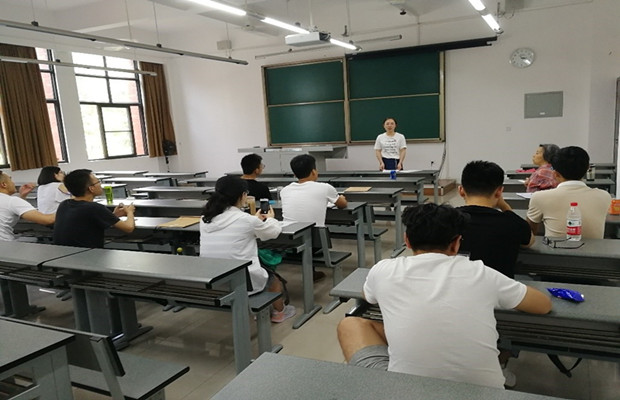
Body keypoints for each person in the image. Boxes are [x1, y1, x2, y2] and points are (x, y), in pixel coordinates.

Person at [337, 203, 552, 389]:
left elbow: (368, 296)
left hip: (406, 391)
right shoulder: (480, 273)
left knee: (350, 324)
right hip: (486, 392)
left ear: (407, 241)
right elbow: (542, 305)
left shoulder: (383, 270)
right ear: (456, 243)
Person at [200, 175, 295, 323]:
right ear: (243, 195)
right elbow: (272, 232)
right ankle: (279, 312)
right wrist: (270, 218)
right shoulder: (245, 219)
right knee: (274, 279)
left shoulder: (205, 218)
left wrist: (255, 220)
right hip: (242, 279)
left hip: (213, 276)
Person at [458, 160, 534, 278]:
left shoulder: (444, 219)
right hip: (500, 288)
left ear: (461, 190)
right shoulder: (512, 223)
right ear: (499, 192)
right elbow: (529, 241)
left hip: (455, 286)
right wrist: (504, 206)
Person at [280, 154, 347, 281]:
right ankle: (312, 272)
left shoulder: (285, 190)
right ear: (313, 172)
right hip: (317, 241)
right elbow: (342, 205)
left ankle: (312, 271)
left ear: (294, 174)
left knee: (303, 227)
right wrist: (342, 198)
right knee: (312, 231)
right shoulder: (325, 188)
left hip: (289, 241)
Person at [526, 146, 611, 238]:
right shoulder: (604, 196)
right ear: (587, 168)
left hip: (555, 247)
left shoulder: (539, 197)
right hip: (595, 248)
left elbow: (529, 233)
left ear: (555, 174)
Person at [53, 169, 135, 248]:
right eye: (98, 182)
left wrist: (113, 216)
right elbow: (129, 228)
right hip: (87, 253)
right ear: (91, 188)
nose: (100, 184)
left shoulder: (64, 204)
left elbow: (88, 222)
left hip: (63, 252)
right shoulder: (94, 208)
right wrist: (129, 212)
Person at [0, 170, 55, 241]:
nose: (13, 183)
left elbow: (8, 213)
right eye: (10, 180)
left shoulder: (10, 201)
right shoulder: (12, 201)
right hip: (5, 244)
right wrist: (65, 209)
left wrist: (23, 196)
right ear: (4, 184)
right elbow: (47, 220)